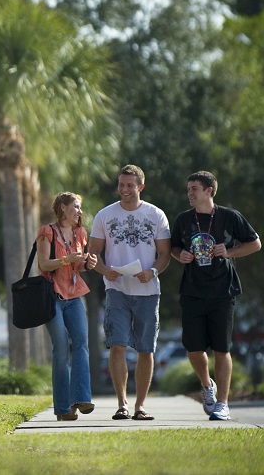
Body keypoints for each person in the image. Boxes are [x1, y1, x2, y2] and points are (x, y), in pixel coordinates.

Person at [170, 171, 261, 421]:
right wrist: (180, 255)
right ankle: (206, 385)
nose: (189, 193)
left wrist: (229, 252)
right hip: (192, 291)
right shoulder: (183, 219)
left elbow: (255, 243)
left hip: (223, 291)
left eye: (194, 189)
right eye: (188, 189)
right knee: (193, 348)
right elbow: (174, 247)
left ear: (209, 191)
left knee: (222, 348)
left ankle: (222, 404)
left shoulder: (230, 217)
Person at [89, 164, 171, 421]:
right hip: (117, 290)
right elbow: (92, 254)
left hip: (148, 291)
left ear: (141, 187)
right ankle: (122, 404)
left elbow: (165, 254)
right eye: (121, 185)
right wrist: (104, 270)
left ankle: (140, 406)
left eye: (129, 185)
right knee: (118, 345)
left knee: (146, 349)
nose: (124, 190)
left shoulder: (156, 215)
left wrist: (152, 272)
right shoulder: (104, 215)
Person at [36, 192, 99, 421]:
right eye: (76, 206)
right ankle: (63, 409)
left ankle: (80, 399)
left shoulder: (80, 233)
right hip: (52, 296)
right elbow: (43, 264)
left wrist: (87, 264)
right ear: (63, 207)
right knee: (61, 349)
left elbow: (78, 266)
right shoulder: (48, 232)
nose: (80, 212)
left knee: (81, 343)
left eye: (80, 207)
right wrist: (66, 260)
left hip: (74, 296)